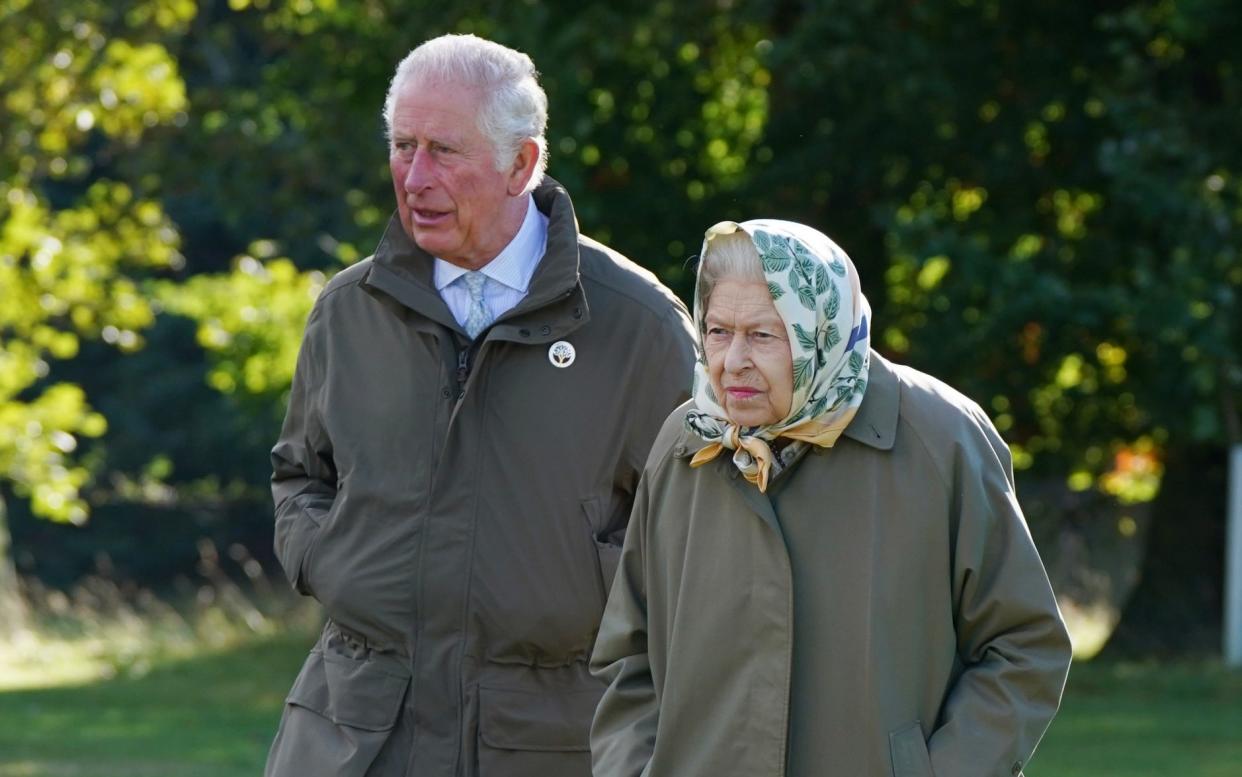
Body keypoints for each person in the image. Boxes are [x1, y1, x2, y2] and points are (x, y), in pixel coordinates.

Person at [265, 34, 696, 777]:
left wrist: (590, 583)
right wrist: (329, 560)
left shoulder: (639, 325)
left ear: (522, 164)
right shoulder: (348, 309)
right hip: (354, 736)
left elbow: (695, 523)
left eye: (444, 150)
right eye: (403, 145)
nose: (415, 176)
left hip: (552, 741)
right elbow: (301, 474)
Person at [590, 219, 1072, 777]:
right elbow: (630, 656)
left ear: (820, 330)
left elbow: (1022, 647)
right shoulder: (685, 443)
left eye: (764, 335)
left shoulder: (941, 439)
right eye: (718, 331)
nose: (732, 361)